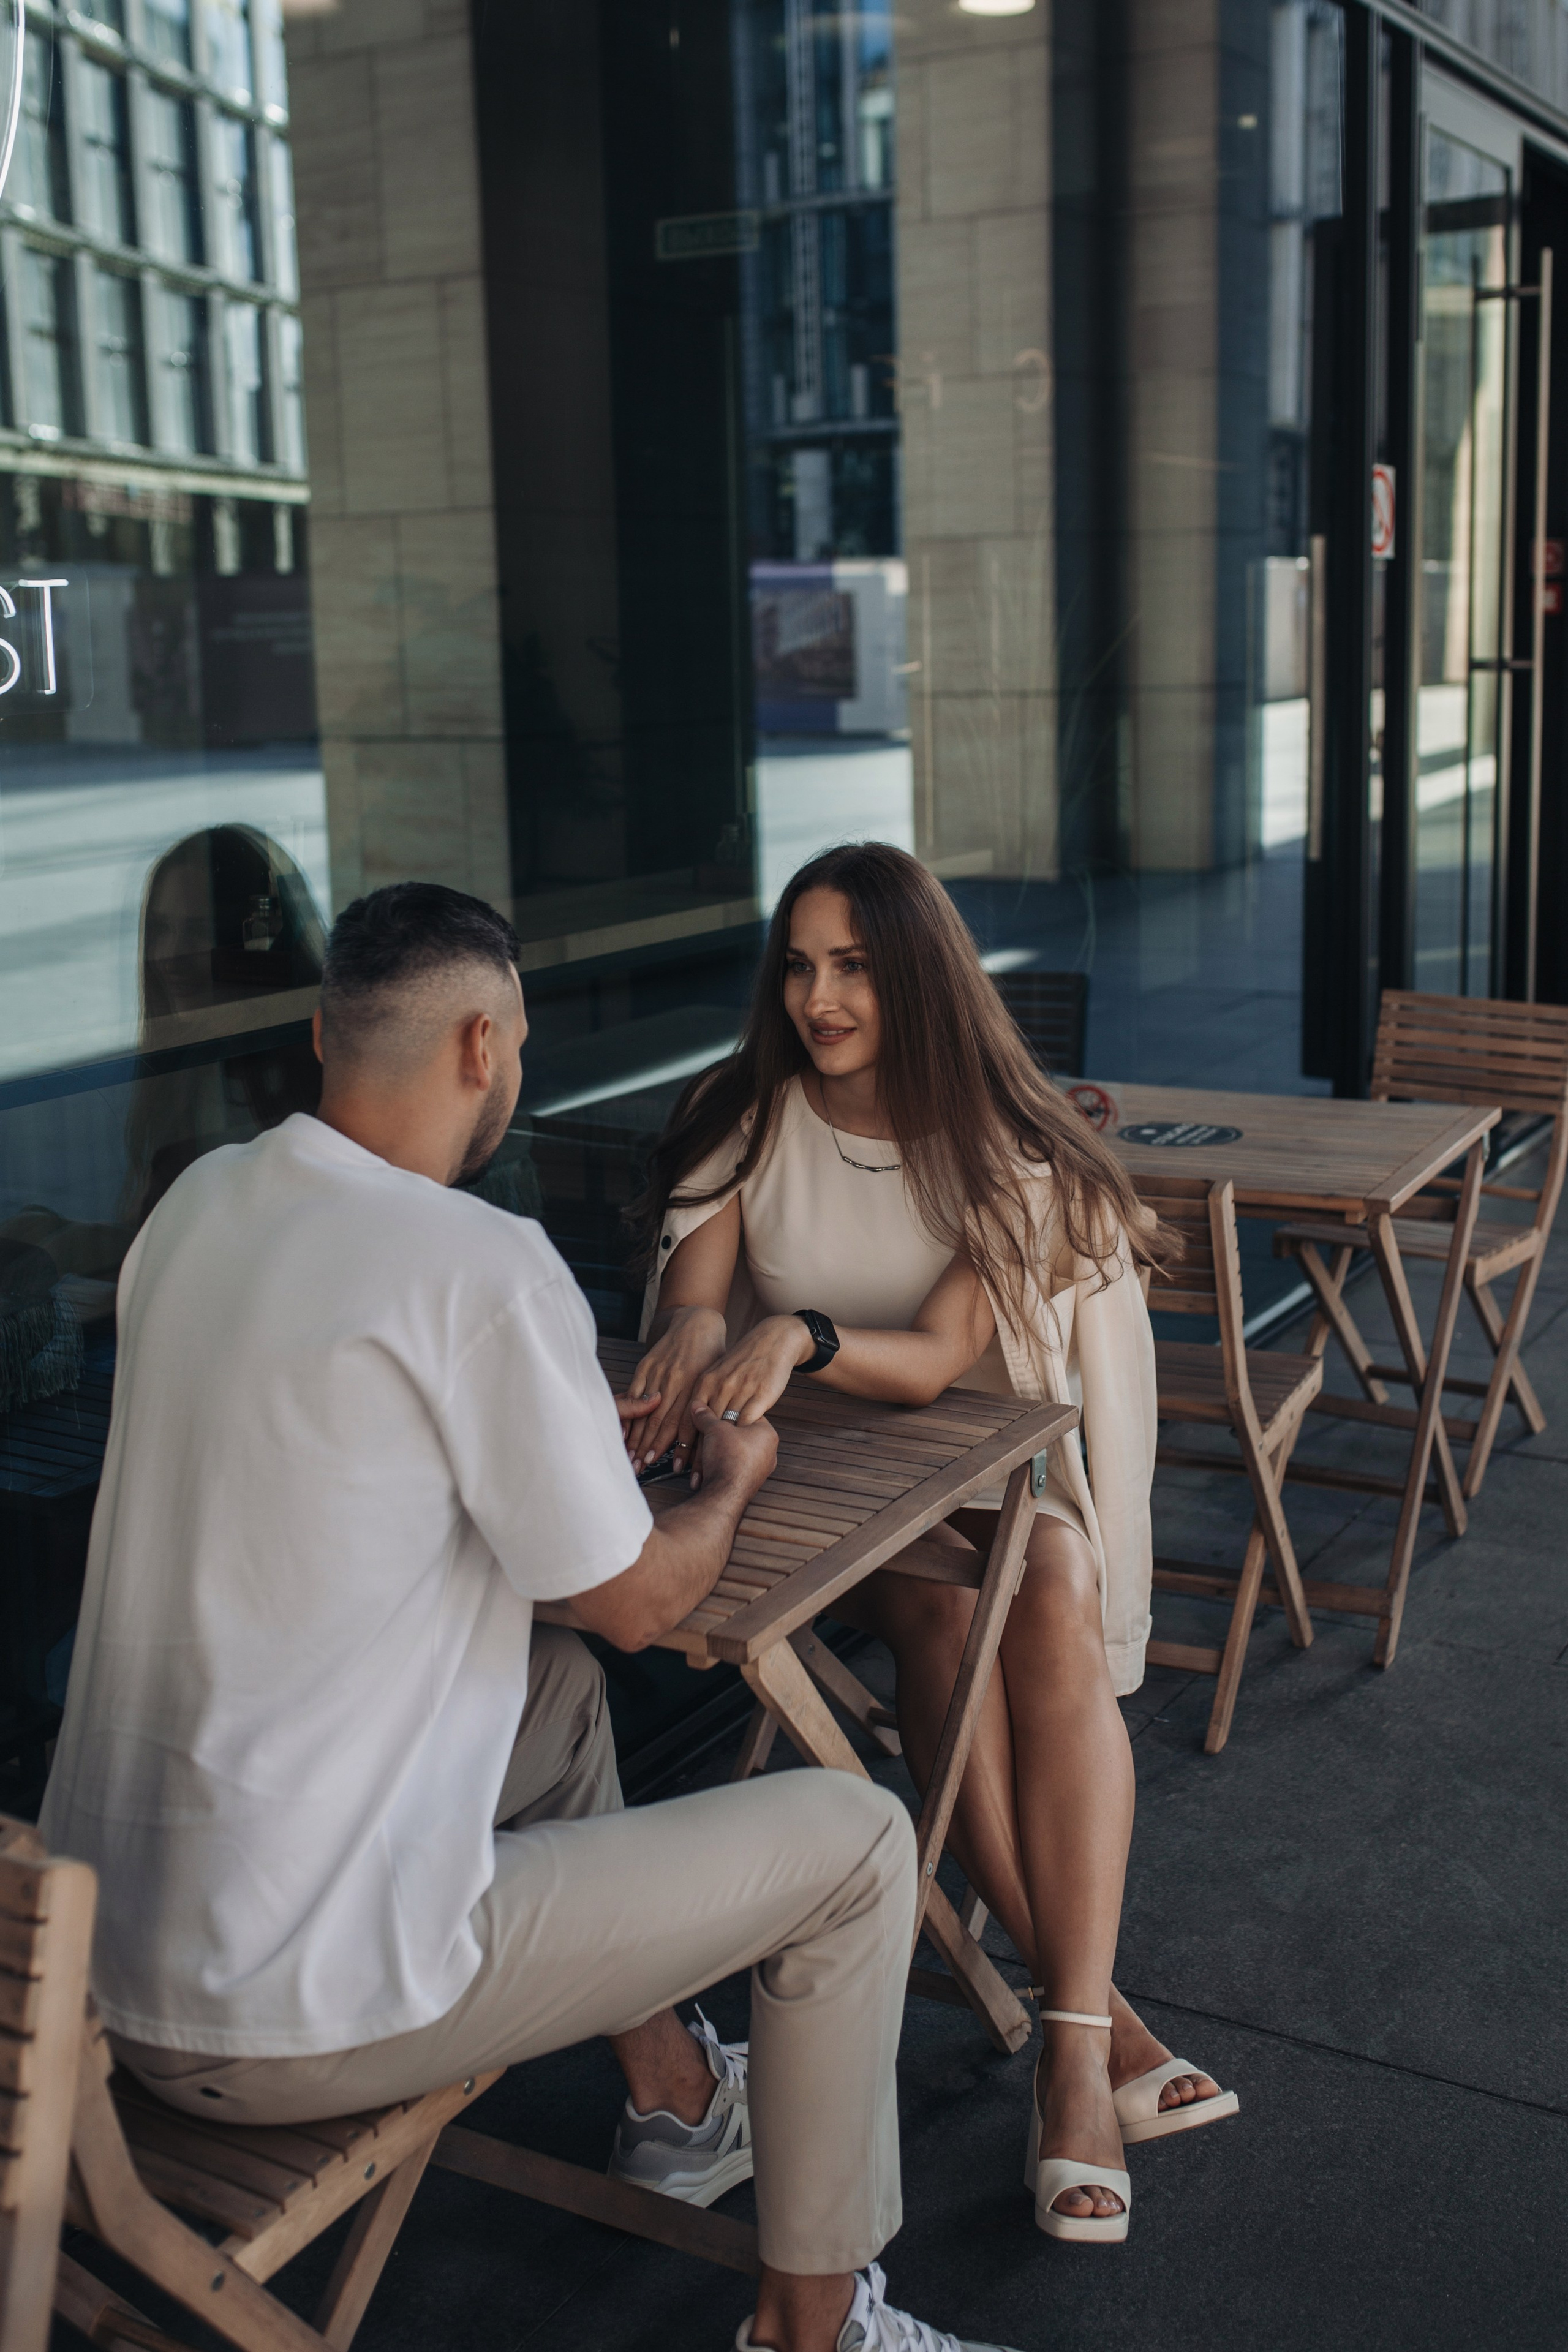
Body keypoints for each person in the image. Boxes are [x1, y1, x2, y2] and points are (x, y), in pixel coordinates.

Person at [39, 881, 1017, 2352]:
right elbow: (637, 1599)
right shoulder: (477, 1265)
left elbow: (345, 1466)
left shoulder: (197, 1207)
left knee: (546, 1690)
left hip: (104, 1963)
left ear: (322, 1034)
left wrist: (562, 1446)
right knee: (859, 1845)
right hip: (296, 2010)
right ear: (486, 1046)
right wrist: (731, 1480)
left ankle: (676, 2106)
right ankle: (814, 2332)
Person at [622, 843, 1239, 2248]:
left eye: (848, 965)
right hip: (820, 1472)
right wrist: (703, 1326)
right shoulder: (744, 1109)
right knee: (942, 1625)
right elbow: (703, 1297)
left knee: (1054, 1578)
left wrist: (806, 1332)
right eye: (798, 963)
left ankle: (1073, 2049)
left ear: (909, 971)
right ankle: (1093, 2034)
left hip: (981, 1447)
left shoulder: (994, 1142)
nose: (818, 994)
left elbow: (943, 1357)